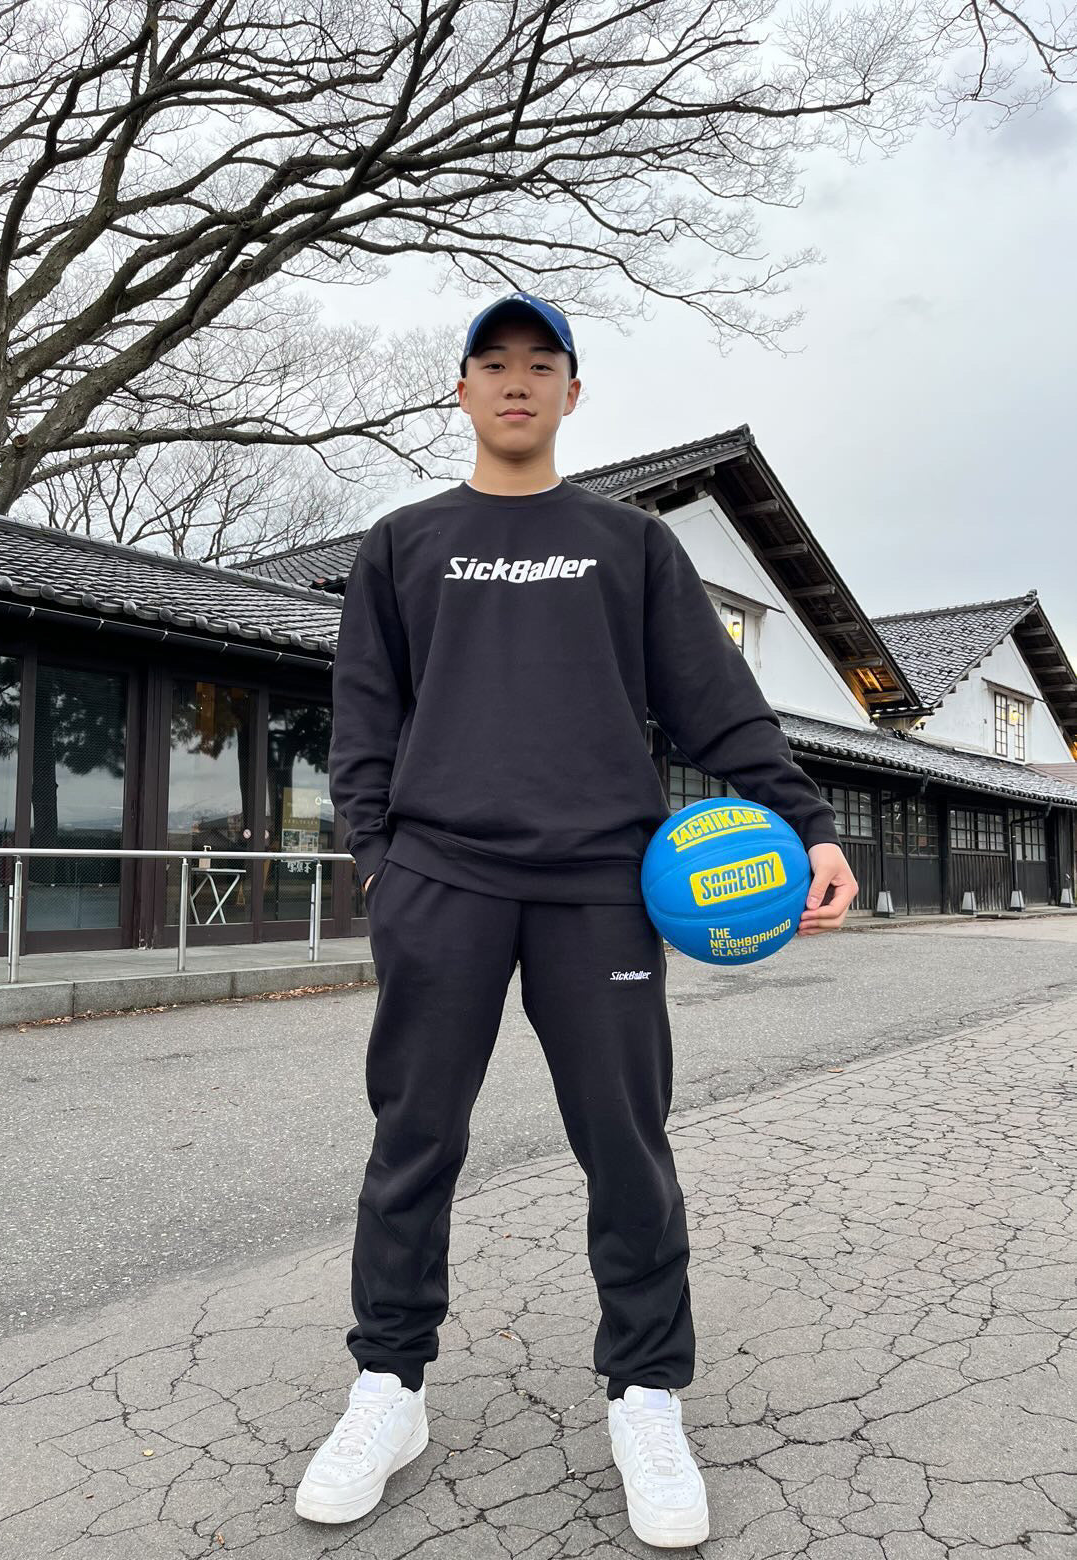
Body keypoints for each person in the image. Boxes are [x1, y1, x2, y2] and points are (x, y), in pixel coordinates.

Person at [295, 290, 860, 1545]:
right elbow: (363, 730)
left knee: (625, 1144)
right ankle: (389, 1385)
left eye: (538, 364)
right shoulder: (401, 545)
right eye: (490, 363)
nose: (514, 381)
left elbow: (717, 703)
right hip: (441, 881)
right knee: (414, 1140)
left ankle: (647, 1393)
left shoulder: (630, 547)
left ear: (571, 392)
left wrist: (810, 822)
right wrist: (382, 864)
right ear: (460, 389)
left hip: (602, 883)